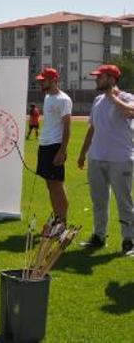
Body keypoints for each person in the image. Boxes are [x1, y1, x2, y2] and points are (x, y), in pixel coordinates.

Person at [77, 64, 134, 256]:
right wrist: (82, 153)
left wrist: (113, 96)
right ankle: (99, 236)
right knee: (99, 201)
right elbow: (92, 129)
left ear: (111, 78)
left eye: (99, 77)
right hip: (96, 158)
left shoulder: (126, 97)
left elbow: (130, 112)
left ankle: (129, 240)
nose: (96, 79)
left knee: (124, 202)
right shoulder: (97, 100)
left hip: (120, 159)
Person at [34, 68, 72, 222]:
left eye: (44, 80)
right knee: (50, 185)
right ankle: (57, 217)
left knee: (57, 185)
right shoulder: (48, 97)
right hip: (44, 146)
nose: (41, 83)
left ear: (54, 80)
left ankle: (62, 221)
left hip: (55, 147)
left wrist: (62, 151)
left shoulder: (63, 100)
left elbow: (67, 128)